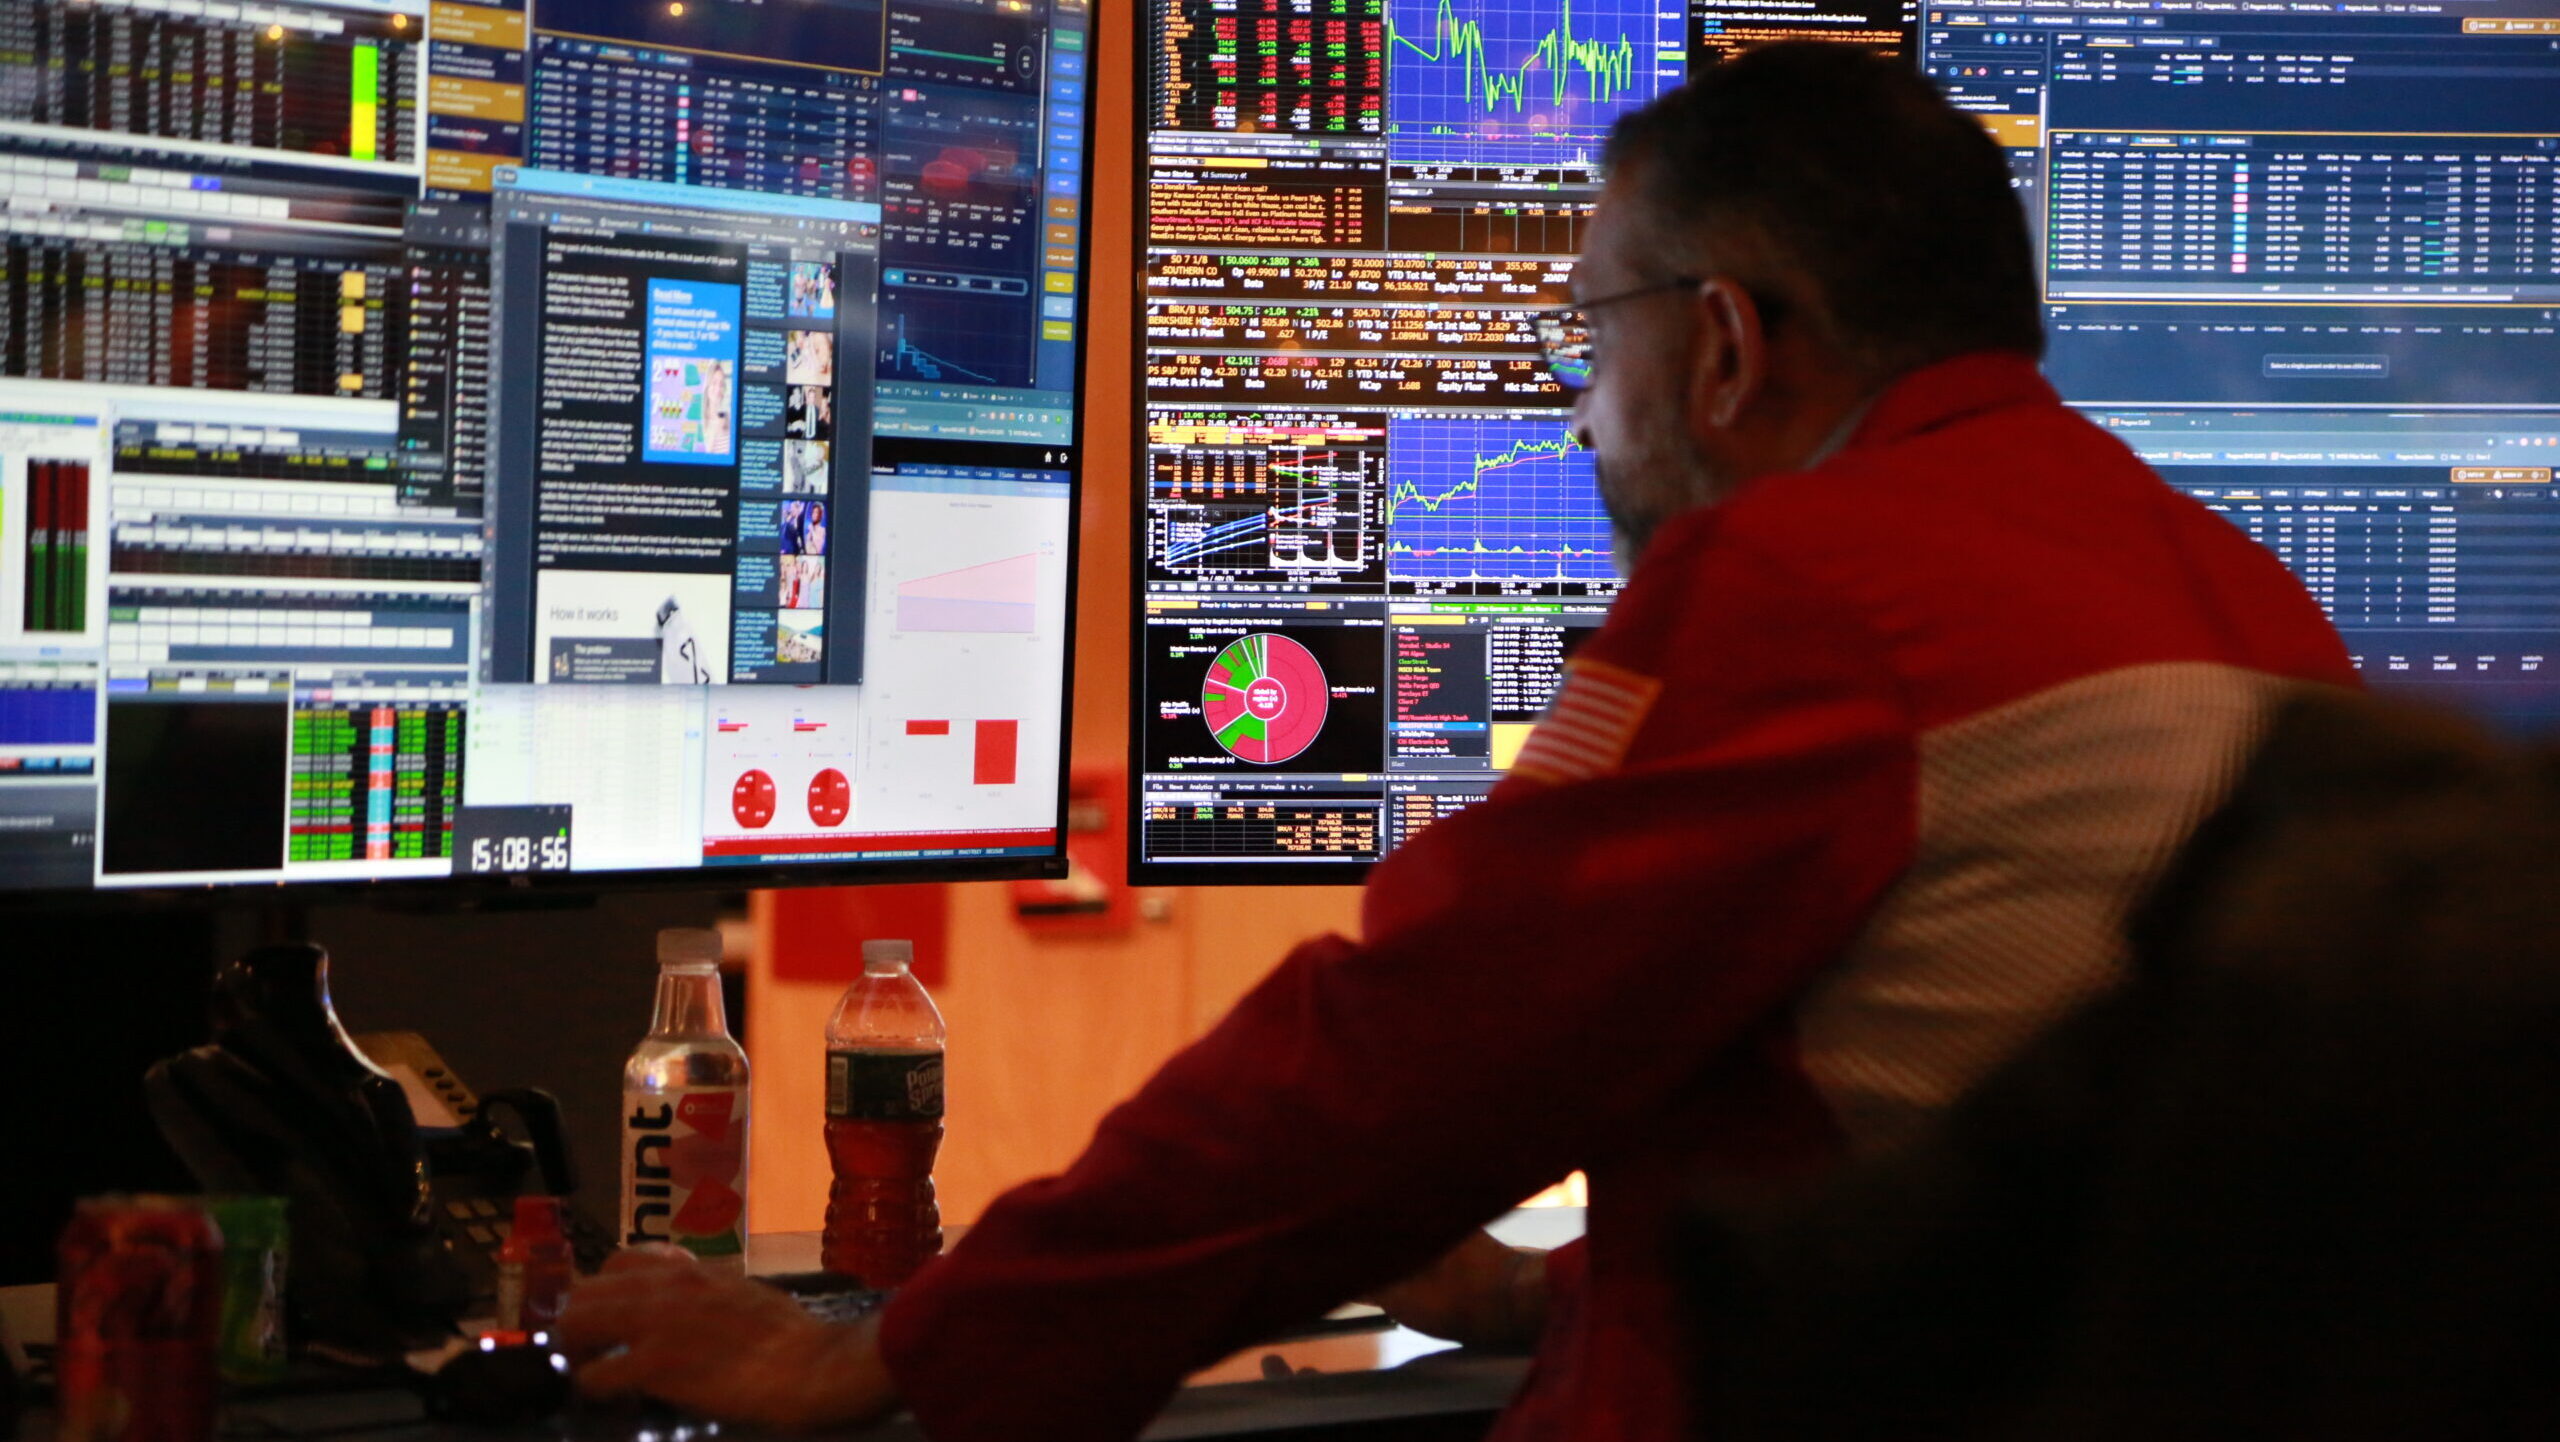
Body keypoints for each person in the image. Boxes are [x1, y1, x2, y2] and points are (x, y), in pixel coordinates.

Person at [560, 43, 2358, 1440]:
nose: (1580, 416)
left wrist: (892, 1361)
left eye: (1591, 330)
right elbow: (1984, 1146)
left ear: (1725, 343)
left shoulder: (1811, 579)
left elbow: (1409, 1051)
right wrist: (1546, 1287)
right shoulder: (2245, 594)